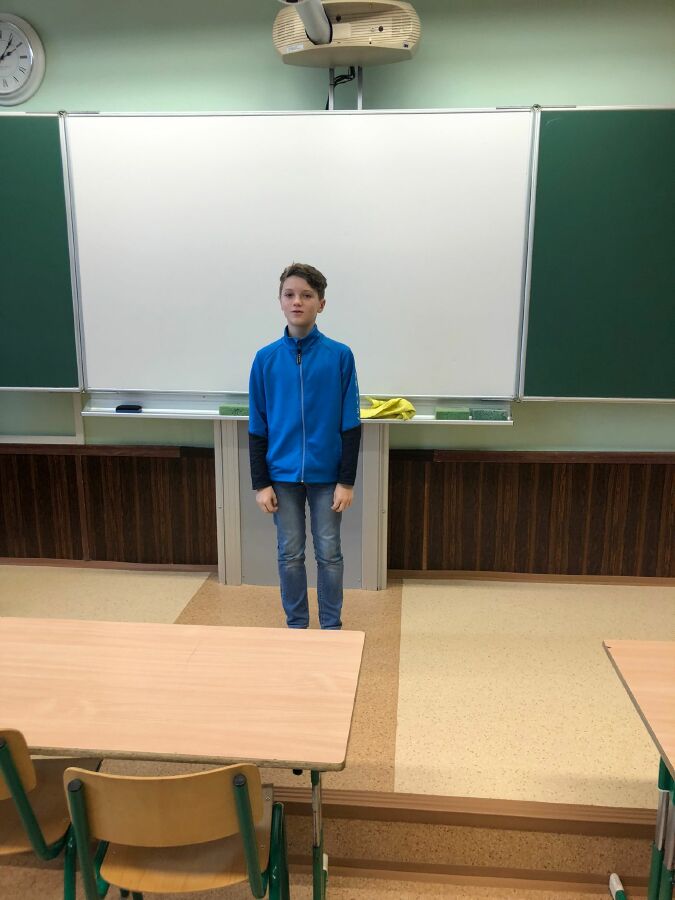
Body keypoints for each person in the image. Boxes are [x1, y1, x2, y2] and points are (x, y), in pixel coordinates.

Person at [248, 263, 361, 630]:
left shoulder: (339, 356)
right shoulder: (265, 359)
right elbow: (257, 426)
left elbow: (350, 423)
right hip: (281, 476)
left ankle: (331, 627)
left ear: (321, 304)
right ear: (280, 301)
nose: (297, 301)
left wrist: (346, 481)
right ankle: (296, 626)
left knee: (329, 553)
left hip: (328, 476)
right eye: (290, 294)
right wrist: (261, 483)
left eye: (307, 295)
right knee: (290, 553)